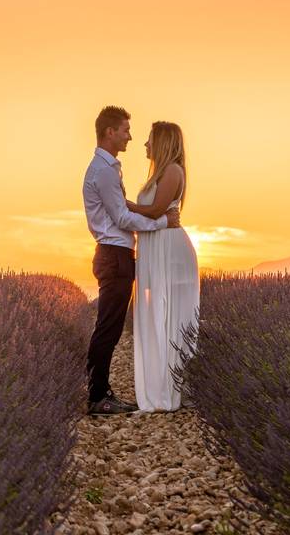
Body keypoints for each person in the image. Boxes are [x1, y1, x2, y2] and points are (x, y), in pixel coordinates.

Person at [82, 106, 181, 415]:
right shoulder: (104, 171)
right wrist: (163, 222)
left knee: (108, 326)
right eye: (125, 130)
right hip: (114, 254)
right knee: (108, 327)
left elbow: (122, 212)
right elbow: (122, 218)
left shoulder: (108, 168)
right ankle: (98, 396)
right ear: (110, 132)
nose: (130, 136)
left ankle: (99, 390)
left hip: (116, 254)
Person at [126, 121, 199, 412]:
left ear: (163, 142)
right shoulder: (160, 172)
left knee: (172, 320)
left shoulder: (172, 171)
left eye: (149, 139)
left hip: (170, 252)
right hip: (158, 248)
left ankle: (171, 392)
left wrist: (124, 204)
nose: (145, 144)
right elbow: (155, 213)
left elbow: (156, 210)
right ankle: (160, 389)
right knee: (158, 316)